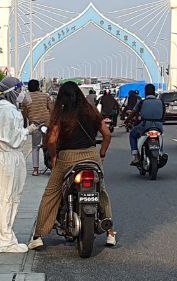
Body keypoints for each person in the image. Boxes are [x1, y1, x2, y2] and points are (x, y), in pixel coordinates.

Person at [28, 81, 117, 250]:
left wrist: (54, 156)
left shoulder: (61, 114)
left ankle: (38, 236)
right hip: (91, 156)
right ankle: (110, 232)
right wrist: (102, 154)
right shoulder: (91, 111)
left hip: (67, 158)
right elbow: (107, 135)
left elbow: (52, 140)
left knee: (51, 193)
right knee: (101, 191)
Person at [0, 76, 30, 253]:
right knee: (8, 198)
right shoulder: (10, 112)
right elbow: (12, 139)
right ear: (13, 92)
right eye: (19, 90)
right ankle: (5, 239)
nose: (22, 93)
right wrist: (27, 131)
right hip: (8, 160)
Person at [21, 78, 53, 175]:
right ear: (38, 87)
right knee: (49, 145)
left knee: (35, 146)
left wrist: (26, 122)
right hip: (46, 124)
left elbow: (24, 113)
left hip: (34, 125)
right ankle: (52, 166)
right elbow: (51, 109)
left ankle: (35, 170)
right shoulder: (45, 96)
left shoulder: (26, 98)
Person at [128, 83, 165, 166]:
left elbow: (133, 113)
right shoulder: (161, 102)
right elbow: (163, 116)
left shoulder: (142, 102)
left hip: (145, 126)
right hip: (158, 127)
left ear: (145, 92)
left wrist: (127, 121)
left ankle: (135, 156)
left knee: (132, 134)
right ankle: (161, 154)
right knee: (161, 136)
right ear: (154, 92)